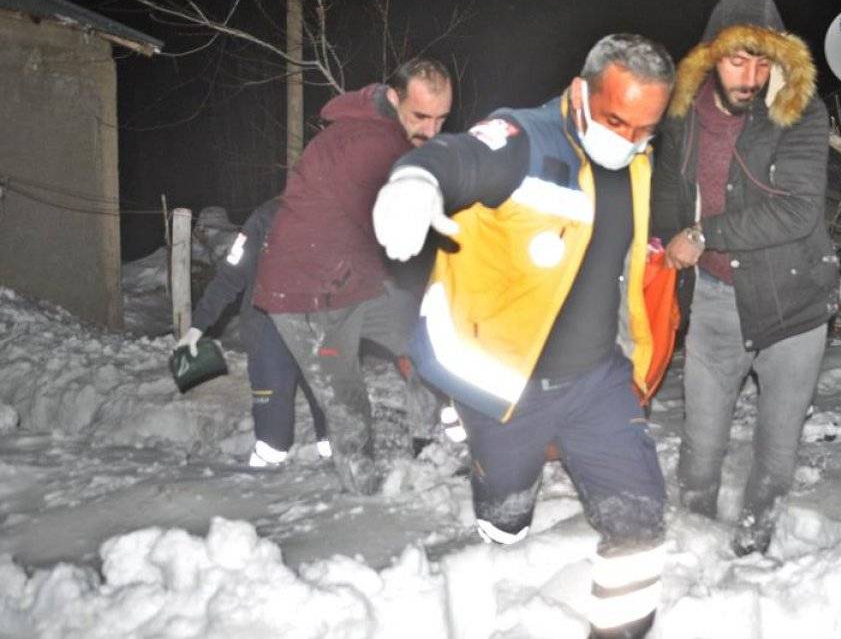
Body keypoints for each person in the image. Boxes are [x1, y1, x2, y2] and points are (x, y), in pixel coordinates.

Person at [373, 34, 673, 639]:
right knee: (506, 514)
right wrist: (416, 182)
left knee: (639, 521)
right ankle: (496, 508)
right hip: (508, 383)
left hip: (597, 379)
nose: (631, 140)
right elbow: (456, 156)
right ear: (580, 93)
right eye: (617, 120)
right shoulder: (523, 139)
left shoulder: (637, 161)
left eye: (647, 128)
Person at [650, 0, 838, 557]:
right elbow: (666, 190)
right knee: (700, 446)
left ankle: (754, 549)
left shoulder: (799, 111)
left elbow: (800, 208)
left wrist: (705, 235)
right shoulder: (682, 112)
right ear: (712, 57)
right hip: (714, 301)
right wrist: (656, 244)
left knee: (776, 451)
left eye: (763, 61)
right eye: (738, 59)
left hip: (795, 304)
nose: (751, 75)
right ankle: (696, 542)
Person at [254, 58, 452, 496]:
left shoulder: (393, 137)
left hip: (356, 278)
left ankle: (428, 446)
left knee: (428, 343)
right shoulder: (366, 145)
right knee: (347, 400)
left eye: (441, 119)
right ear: (395, 99)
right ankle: (363, 495)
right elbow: (396, 229)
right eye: (421, 116)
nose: (431, 131)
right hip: (309, 292)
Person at [176, 198, 331, 467]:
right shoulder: (266, 217)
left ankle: (333, 473)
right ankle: (260, 485)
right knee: (274, 434)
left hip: (323, 329)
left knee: (332, 412)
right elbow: (230, 276)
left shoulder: (344, 216)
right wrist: (198, 325)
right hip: (268, 330)